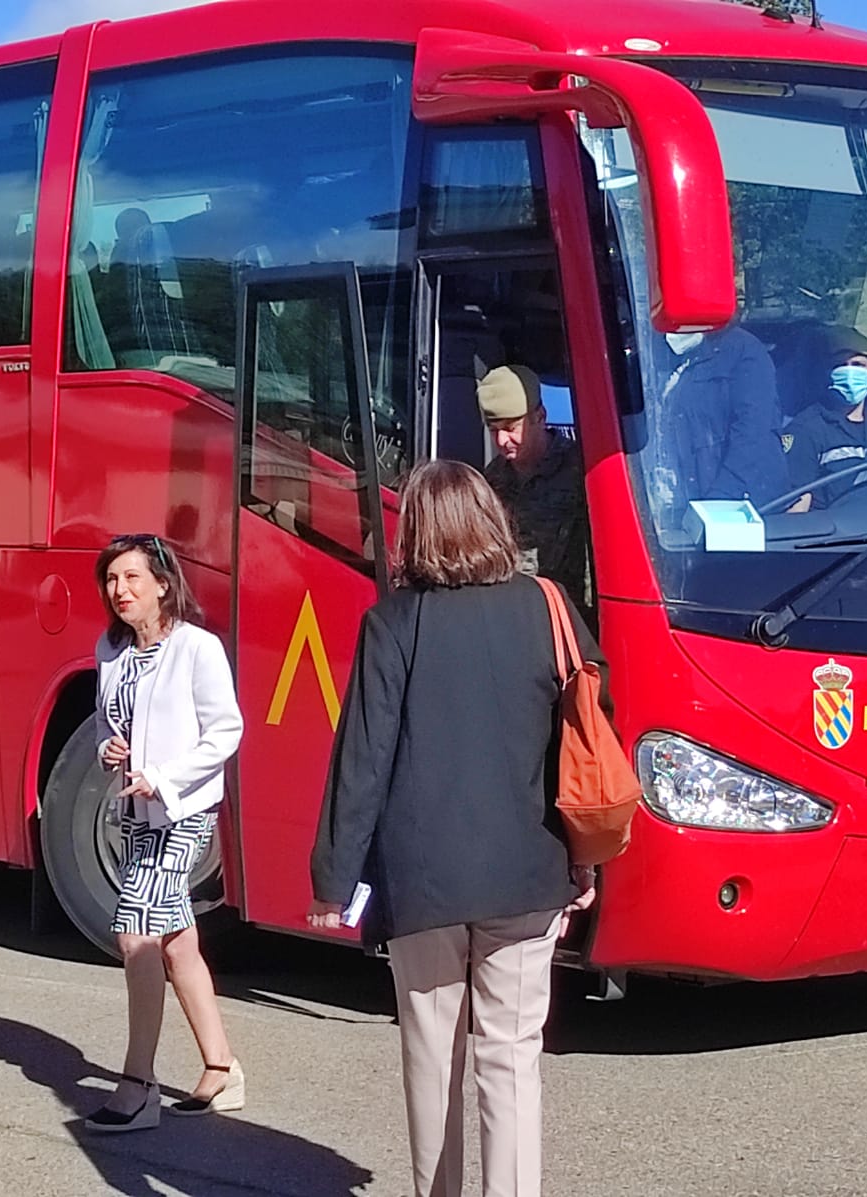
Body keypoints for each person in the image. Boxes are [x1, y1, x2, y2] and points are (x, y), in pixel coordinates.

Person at [307, 460, 604, 1197]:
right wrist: (585, 859)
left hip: (424, 880)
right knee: (510, 1057)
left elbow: (363, 759)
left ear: (417, 533)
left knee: (432, 1056)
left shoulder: (392, 622)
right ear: (491, 521)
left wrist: (332, 878)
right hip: (528, 871)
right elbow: (587, 733)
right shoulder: (548, 606)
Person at [83, 533, 245, 1133]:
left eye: (131, 578)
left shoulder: (197, 648)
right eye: (111, 580)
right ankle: (221, 1066)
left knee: (135, 937)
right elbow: (106, 720)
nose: (119, 591)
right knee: (176, 940)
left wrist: (166, 779)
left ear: (163, 584)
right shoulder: (113, 650)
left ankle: (137, 1085)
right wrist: (107, 747)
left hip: (182, 813)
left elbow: (225, 732)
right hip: (133, 815)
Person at [476, 365, 592, 627]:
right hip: (512, 619)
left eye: (511, 427)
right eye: (494, 429)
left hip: (570, 619)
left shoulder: (578, 471)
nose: (503, 440)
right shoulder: (491, 480)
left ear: (540, 416)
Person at [782, 326, 867, 512]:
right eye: (840, 365)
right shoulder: (806, 432)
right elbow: (796, 512)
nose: (850, 372)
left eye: (858, 365)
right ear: (827, 373)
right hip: (842, 539)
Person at [659, 326, 788, 507]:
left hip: (736, 506)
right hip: (683, 500)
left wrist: (721, 498)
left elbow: (753, 431)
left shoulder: (741, 350)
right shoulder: (660, 354)